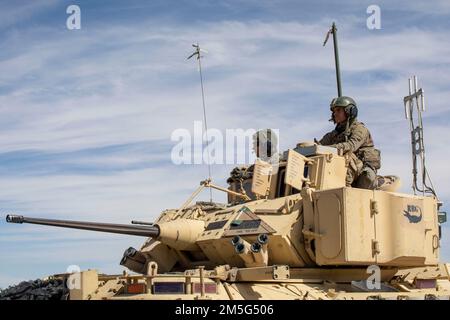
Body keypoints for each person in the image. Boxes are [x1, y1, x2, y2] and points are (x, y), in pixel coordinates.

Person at [317, 96, 381, 189]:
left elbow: (351, 146)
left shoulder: (360, 129)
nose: (335, 114)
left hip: (361, 170)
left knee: (347, 156)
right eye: (334, 111)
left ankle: (346, 188)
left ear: (349, 111)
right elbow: (319, 146)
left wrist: (331, 149)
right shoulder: (333, 134)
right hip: (345, 169)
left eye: (338, 110)